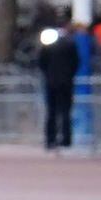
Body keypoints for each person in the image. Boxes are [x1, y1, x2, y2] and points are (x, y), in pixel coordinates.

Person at [37, 21, 79, 149]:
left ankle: (50, 139)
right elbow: (76, 62)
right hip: (66, 81)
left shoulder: (48, 45)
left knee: (51, 111)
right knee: (66, 111)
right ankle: (66, 139)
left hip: (51, 81)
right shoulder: (70, 44)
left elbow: (41, 62)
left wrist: (47, 74)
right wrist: (70, 74)